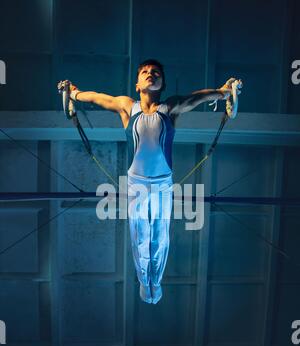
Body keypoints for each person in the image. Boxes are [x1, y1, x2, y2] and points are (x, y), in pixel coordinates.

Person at [61, 59, 239, 304]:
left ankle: (157, 281)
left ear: (162, 83)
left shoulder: (171, 107)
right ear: (137, 84)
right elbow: (99, 98)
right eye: (145, 72)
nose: (150, 74)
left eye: (155, 72)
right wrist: (75, 93)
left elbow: (197, 97)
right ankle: (145, 282)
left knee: (160, 236)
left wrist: (223, 91)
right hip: (136, 184)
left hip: (163, 184)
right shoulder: (127, 106)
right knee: (140, 235)